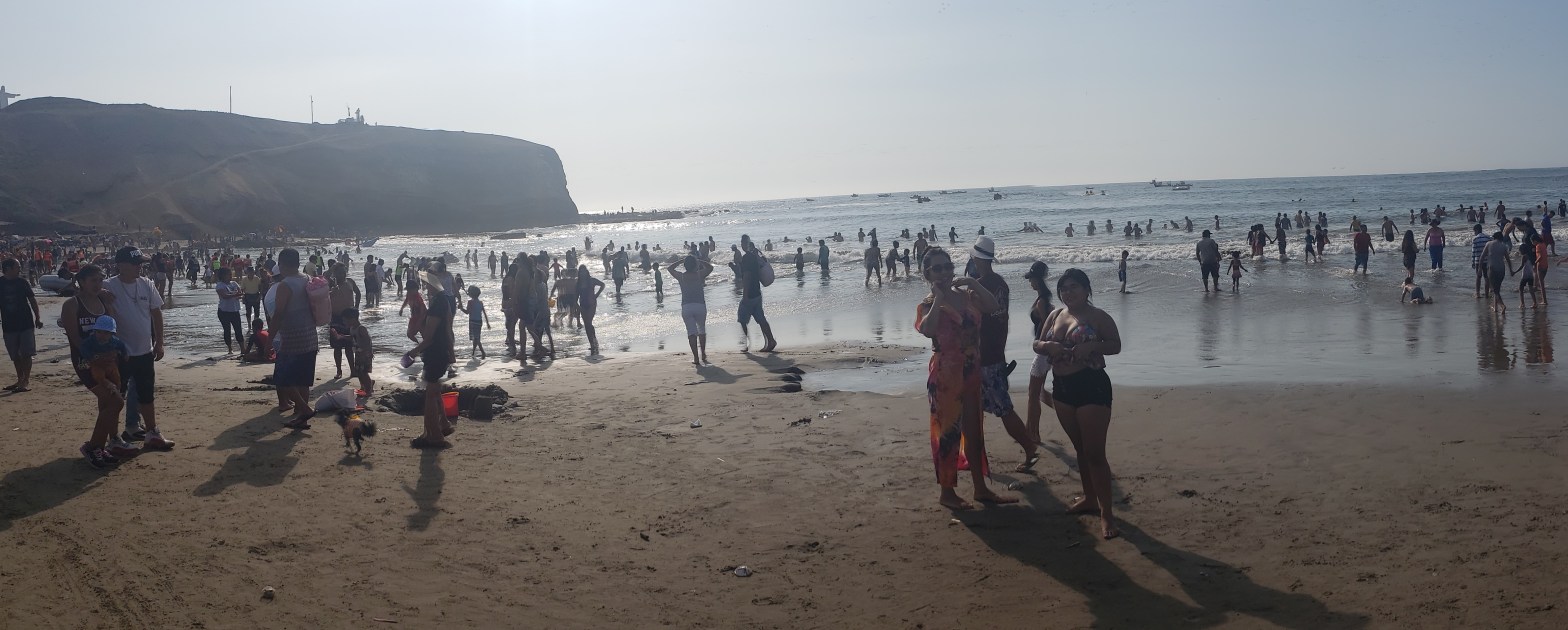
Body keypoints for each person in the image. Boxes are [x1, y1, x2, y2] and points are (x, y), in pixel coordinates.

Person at [914, 247, 1016, 510]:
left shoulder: (968, 295)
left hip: (972, 369)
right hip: (945, 373)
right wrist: (939, 298)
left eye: (948, 266)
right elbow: (927, 330)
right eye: (937, 269)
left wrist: (973, 282)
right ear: (927, 274)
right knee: (948, 433)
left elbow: (993, 306)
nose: (944, 273)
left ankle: (980, 489)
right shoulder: (928, 304)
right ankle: (947, 492)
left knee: (974, 432)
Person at [1035, 268, 1123, 539]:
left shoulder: (1098, 316)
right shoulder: (1054, 315)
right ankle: (1089, 498)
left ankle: (1107, 513)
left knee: (1095, 453)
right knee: (1080, 449)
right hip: (1062, 388)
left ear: (1086, 290)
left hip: (1091, 385)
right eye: (1064, 288)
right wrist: (1047, 347)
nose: (1068, 292)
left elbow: (1115, 345)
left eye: (1074, 287)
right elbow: (1037, 343)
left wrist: (1092, 346)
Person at [967, 238, 1043, 472]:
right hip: (996, 351)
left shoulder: (979, 285)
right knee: (983, 409)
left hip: (984, 355)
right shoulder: (999, 283)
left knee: (1001, 408)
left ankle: (1029, 448)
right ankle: (975, 455)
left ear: (976, 259)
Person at [105, 247, 173, 450]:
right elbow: (82, 290)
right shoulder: (109, 286)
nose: (140, 267)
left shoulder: (146, 284)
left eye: (141, 263)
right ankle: (114, 438)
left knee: (146, 393)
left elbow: (156, 313)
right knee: (116, 396)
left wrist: (159, 342)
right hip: (120, 353)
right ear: (121, 265)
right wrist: (99, 293)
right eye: (136, 263)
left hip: (145, 351)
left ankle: (152, 432)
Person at [270, 248, 319, 430]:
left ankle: (304, 409)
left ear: (281, 264)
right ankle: (301, 418)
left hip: (291, 339)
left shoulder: (285, 285)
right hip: (310, 336)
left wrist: (268, 341)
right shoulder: (307, 279)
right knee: (303, 380)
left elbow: (278, 315)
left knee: (282, 378)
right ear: (298, 263)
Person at [408, 273, 456, 449]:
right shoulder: (444, 300)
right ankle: (441, 425)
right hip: (441, 351)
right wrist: (451, 351)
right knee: (434, 390)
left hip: (435, 353)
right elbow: (448, 328)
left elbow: (429, 338)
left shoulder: (437, 305)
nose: (424, 286)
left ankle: (433, 435)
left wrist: (413, 352)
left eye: (426, 284)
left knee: (430, 394)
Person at [1022, 262, 1055, 448]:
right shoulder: (1045, 298)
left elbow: (1046, 326)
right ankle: (1066, 411)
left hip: (1042, 351)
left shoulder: (1042, 301)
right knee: (1039, 392)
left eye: (1031, 279)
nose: (1030, 283)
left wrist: (1039, 345)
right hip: (1045, 350)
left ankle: (1032, 433)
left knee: (1033, 393)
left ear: (1037, 279)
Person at [0, 258, 43, 392]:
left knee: (26, 353)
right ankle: (20, 379)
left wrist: (37, 318)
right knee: (15, 355)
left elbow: (32, 300)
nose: (20, 269)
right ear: (8, 268)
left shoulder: (22, 282)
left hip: (26, 324)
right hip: (8, 325)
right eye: (17, 267)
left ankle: (25, 381)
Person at [667, 255, 714, 367]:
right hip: (700, 305)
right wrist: (699, 260)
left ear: (685, 266)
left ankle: (696, 357)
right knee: (701, 329)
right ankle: (703, 354)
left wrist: (681, 261)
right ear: (695, 265)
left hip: (687, 306)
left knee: (691, 333)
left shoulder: (681, 276)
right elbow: (710, 267)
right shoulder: (699, 274)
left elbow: (670, 268)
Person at [737, 235, 778, 352]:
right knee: (761, 319)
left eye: (743, 242)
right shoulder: (754, 257)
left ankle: (746, 345)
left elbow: (747, 276)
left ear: (746, 244)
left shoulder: (746, 258)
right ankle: (770, 340)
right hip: (757, 292)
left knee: (742, 319)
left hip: (750, 294)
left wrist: (745, 295)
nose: (742, 244)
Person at [327, 264, 361, 380]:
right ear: (335, 274)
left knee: (349, 346)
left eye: (343, 272)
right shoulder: (331, 284)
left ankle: (353, 370)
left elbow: (358, 293)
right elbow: (324, 276)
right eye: (339, 272)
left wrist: (356, 308)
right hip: (335, 317)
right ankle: (339, 371)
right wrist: (333, 268)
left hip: (349, 318)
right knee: (337, 347)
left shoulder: (350, 282)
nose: (342, 275)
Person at [341, 308, 375, 394]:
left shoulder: (361, 328)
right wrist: (341, 337)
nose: (344, 323)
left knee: (364, 372)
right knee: (358, 372)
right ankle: (364, 386)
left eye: (345, 321)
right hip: (358, 353)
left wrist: (368, 352)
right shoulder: (352, 328)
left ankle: (368, 390)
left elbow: (368, 341)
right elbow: (352, 337)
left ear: (353, 319)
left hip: (365, 354)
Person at [576, 265, 605, 354]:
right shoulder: (578, 283)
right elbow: (575, 298)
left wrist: (597, 295)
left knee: (588, 323)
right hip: (583, 305)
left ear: (586, 272)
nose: (582, 273)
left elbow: (602, 285)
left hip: (592, 304)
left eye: (584, 271)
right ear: (579, 273)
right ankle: (592, 342)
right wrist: (578, 307)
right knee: (587, 325)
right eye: (581, 272)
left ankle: (593, 342)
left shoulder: (592, 280)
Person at [214, 268, 244, 354]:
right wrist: (235, 294)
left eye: (231, 274)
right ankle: (230, 348)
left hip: (235, 310)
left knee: (238, 330)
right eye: (228, 275)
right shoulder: (220, 285)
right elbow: (224, 296)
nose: (230, 276)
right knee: (227, 330)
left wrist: (239, 295)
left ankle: (242, 349)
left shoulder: (234, 283)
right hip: (224, 311)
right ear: (223, 276)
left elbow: (240, 293)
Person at [1481, 231, 1511, 314]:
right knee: (1497, 288)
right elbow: (1508, 260)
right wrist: (1511, 270)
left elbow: (1482, 257)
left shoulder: (1489, 244)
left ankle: (1502, 306)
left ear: (1494, 237)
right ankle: (1495, 307)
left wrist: (1479, 268)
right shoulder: (1504, 246)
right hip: (1501, 269)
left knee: (1494, 289)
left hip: (1492, 269)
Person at [460, 285, 490, 359]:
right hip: (479, 322)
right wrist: (487, 323)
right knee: (476, 338)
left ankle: (483, 352)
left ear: (471, 294)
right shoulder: (480, 302)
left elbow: (467, 312)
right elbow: (484, 313)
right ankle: (473, 352)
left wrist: (461, 308)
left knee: (476, 338)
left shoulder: (470, 302)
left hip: (473, 322)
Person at [1471, 224, 1492, 299]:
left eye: (1474, 231)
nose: (1474, 233)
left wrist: (1473, 262)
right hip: (1487, 260)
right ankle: (1487, 293)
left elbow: (1473, 252)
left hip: (1478, 261)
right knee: (1487, 277)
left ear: (1476, 230)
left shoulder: (1475, 239)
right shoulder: (1488, 237)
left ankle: (1477, 293)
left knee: (1478, 277)